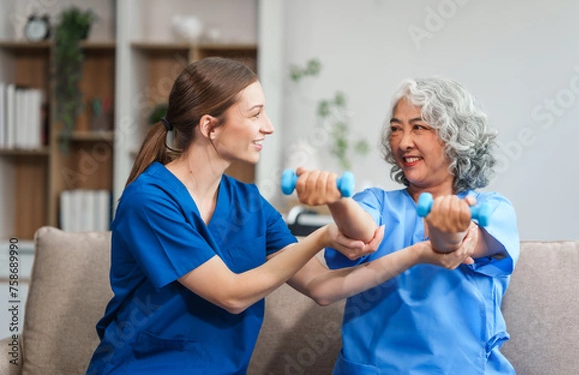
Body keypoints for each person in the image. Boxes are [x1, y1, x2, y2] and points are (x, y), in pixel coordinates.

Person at [86, 59, 478, 375]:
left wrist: (419, 253)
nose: (268, 127)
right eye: (255, 114)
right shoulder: (150, 200)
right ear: (210, 127)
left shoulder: (247, 203)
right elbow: (231, 294)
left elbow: (322, 288)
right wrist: (320, 238)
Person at [294, 77, 520, 374]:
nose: (403, 142)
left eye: (419, 127)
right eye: (396, 128)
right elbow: (362, 233)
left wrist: (448, 226)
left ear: (454, 136)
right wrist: (336, 200)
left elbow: (456, 245)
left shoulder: (491, 208)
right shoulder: (378, 202)